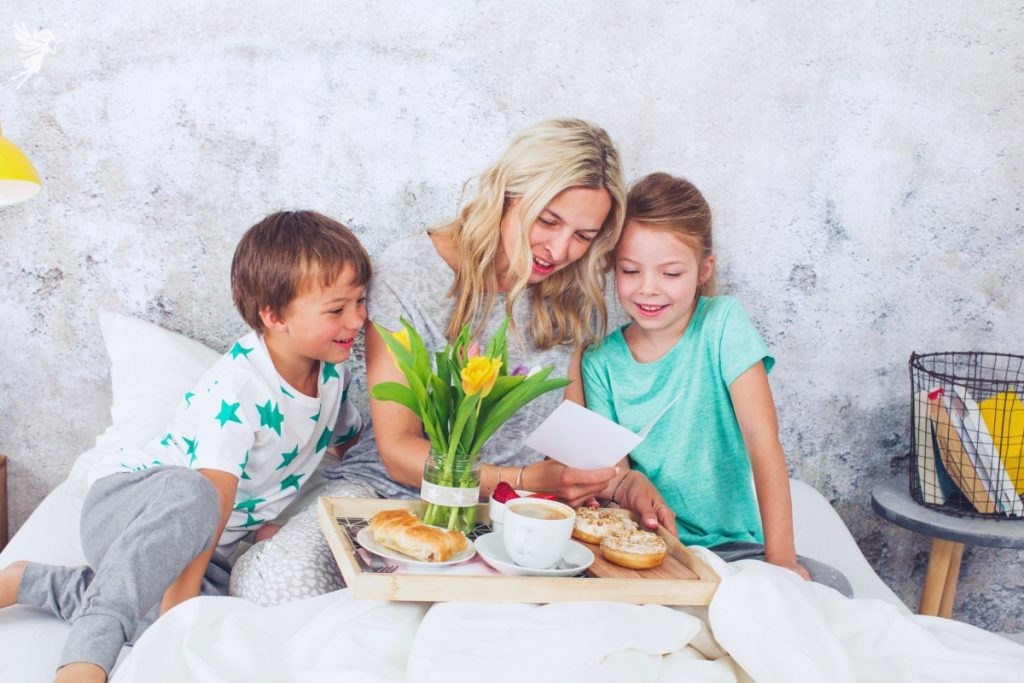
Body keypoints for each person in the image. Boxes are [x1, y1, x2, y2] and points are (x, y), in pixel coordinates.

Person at [230, 119, 676, 606]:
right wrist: (524, 479)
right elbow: (399, 451)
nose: (560, 249)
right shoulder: (410, 271)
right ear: (507, 194)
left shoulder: (571, 293)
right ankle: (267, 548)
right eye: (547, 221)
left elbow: (575, 434)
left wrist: (622, 480)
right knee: (284, 589)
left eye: (584, 235)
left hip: (516, 515)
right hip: (388, 494)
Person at [0, 211, 370, 682]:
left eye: (360, 301)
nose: (358, 319)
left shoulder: (333, 371)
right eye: (337, 309)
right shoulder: (240, 388)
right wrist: (179, 615)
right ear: (274, 317)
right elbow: (210, 496)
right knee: (188, 535)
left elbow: (347, 441)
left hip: (208, 546)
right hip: (134, 509)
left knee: (230, 616)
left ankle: (38, 583)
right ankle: (86, 658)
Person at [581, 172, 853, 595]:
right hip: (652, 550)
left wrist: (781, 560)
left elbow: (763, 440)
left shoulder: (723, 324)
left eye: (670, 273)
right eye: (631, 270)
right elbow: (618, 478)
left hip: (734, 549)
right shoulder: (599, 361)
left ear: (703, 269)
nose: (648, 289)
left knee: (834, 588)